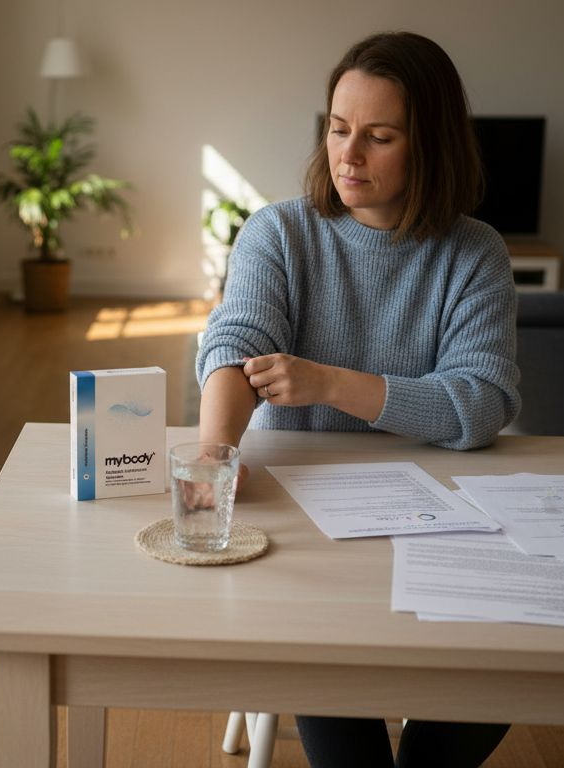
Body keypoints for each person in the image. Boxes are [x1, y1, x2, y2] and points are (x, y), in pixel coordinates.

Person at [194, 31, 518, 768]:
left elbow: (481, 404)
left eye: (379, 137)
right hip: (312, 531)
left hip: (443, 526)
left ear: (429, 145)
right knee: (335, 697)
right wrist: (217, 456)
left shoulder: (475, 254)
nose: (349, 155)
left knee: (515, 669)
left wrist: (329, 383)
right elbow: (234, 344)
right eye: (339, 130)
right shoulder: (280, 232)